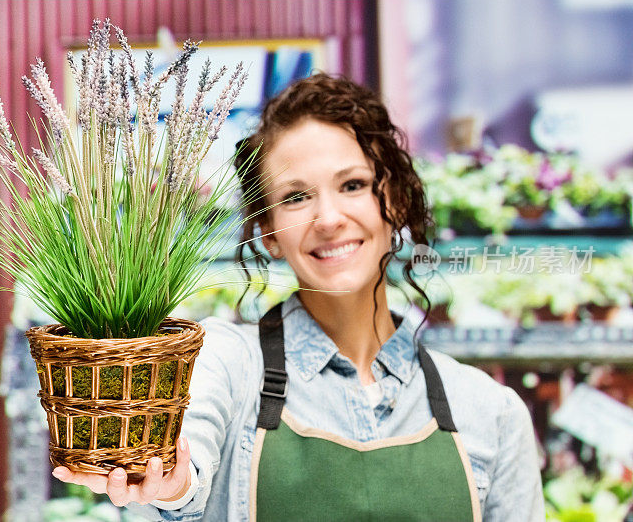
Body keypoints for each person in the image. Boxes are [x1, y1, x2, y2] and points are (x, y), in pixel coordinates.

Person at [53, 73, 545, 521]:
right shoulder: (226, 364)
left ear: (392, 200)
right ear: (267, 231)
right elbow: (189, 462)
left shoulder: (490, 413)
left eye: (352, 185)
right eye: (295, 197)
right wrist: (173, 484)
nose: (328, 218)